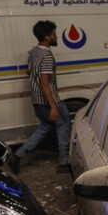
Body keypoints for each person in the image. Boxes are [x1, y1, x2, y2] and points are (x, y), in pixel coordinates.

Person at [13, 21, 71, 173]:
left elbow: (29, 73)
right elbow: (44, 83)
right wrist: (53, 107)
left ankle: (18, 155)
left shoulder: (33, 52)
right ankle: (64, 162)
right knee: (64, 126)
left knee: (44, 127)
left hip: (36, 100)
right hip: (50, 100)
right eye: (53, 34)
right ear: (47, 37)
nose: (56, 36)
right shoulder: (47, 55)